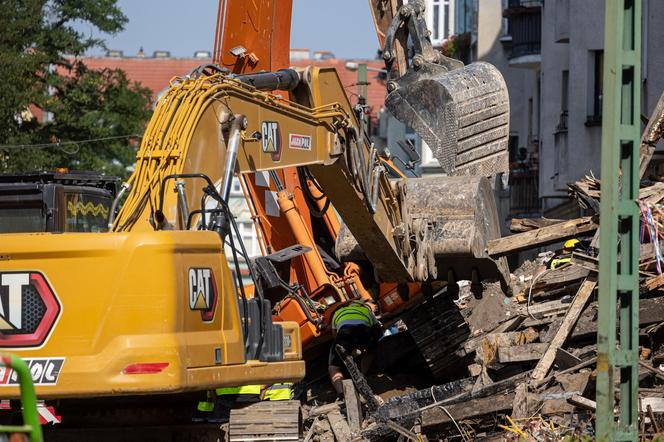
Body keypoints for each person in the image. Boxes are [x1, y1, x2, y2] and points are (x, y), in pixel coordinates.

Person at [328, 300, 382, 398]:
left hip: (345, 332)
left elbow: (335, 336)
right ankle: (362, 376)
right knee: (371, 350)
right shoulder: (365, 311)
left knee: (334, 367)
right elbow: (378, 331)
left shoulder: (337, 313)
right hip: (364, 330)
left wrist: (348, 349)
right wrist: (368, 344)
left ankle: (341, 394)